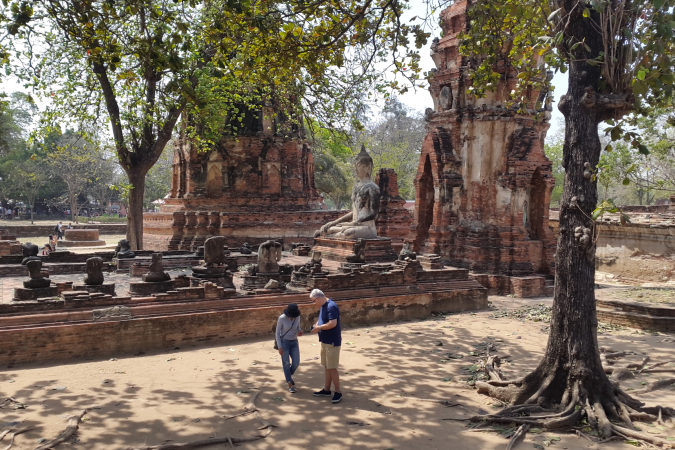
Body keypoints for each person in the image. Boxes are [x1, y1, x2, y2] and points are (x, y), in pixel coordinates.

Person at [309, 288, 343, 403]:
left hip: (332, 341)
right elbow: (323, 320)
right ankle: (327, 389)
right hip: (325, 340)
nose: (314, 303)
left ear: (318, 298)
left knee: (332, 367)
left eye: (314, 301)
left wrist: (319, 328)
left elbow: (333, 323)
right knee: (327, 366)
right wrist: (317, 324)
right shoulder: (324, 306)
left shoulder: (331, 306)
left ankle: (338, 391)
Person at [276, 303, 303, 393]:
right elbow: (277, 333)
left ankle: (288, 375)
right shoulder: (282, 318)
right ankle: (290, 383)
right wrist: (280, 347)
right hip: (285, 342)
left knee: (296, 362)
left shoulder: (297, 317)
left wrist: (300, 331)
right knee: (286, 363)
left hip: (294, 341)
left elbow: (298, 327)